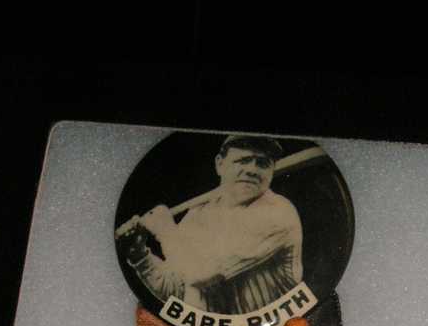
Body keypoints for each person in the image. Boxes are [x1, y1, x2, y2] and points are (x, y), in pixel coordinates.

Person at [125, 135, 303, 315]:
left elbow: (200, 274)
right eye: (243, 161)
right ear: (219, 164)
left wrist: (165, 231)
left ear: (272, 170)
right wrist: (139, 255)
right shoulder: (198, 214)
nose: (252, 170)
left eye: (262, 163)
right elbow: (177, 291)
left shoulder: (277, 212)